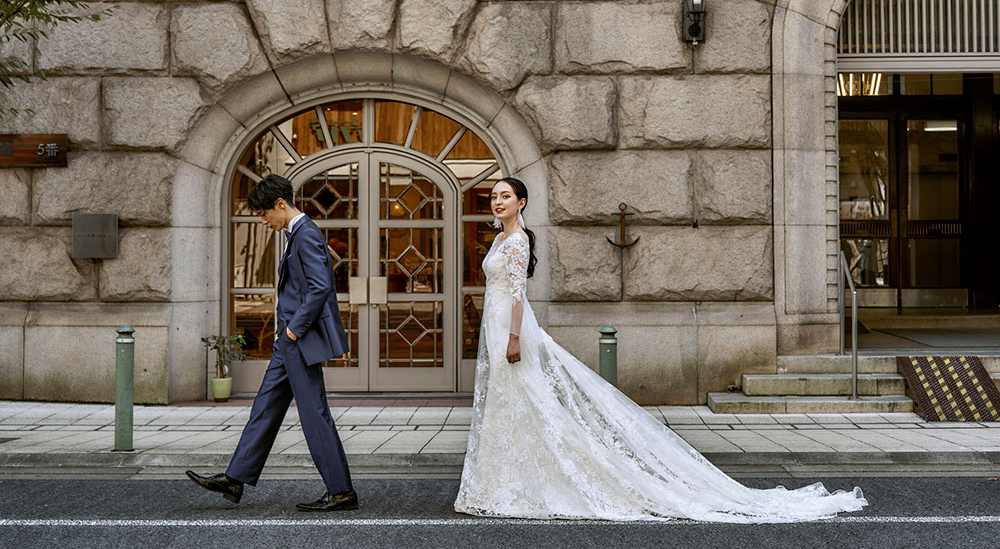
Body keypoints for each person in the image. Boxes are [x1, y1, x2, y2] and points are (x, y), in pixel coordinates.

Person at [454, 177, 869, 522]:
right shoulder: (499, 239)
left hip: (511, 328)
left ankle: (526, 482)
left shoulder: (517, 241)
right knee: (508, 405)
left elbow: (517, 294)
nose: (497, 200)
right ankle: (507, 481)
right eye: (493, 196)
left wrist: (511, 337)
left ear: (521, 202)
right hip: (496, 326)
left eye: (504, 195)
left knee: (526, 401)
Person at [186, 175, 357, 512]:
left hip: (297, 339)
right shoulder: (297, 234)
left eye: (264, 214)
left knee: (313, 413)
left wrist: (294, 329)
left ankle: (341, 492)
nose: (263, 221)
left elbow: (321, 286)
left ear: (281, 204)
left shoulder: (306, 234)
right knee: (265, 407)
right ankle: (235, 479)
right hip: (288, 342)